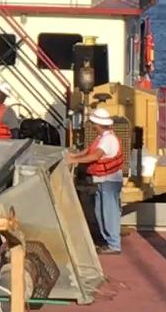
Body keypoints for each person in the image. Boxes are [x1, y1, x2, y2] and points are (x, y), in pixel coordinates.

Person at [67, 108, 125, 254]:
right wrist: (74, 155)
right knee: (100, 212)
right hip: (101, 181)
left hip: (109, 181)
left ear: (98, 124)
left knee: (109, 212)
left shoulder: (107, 139)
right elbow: (89, 150)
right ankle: (108, 241)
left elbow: (95, 156)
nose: (93, 126)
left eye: (94, 123)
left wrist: (74, 160)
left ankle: (114, 244)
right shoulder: (102, 137)